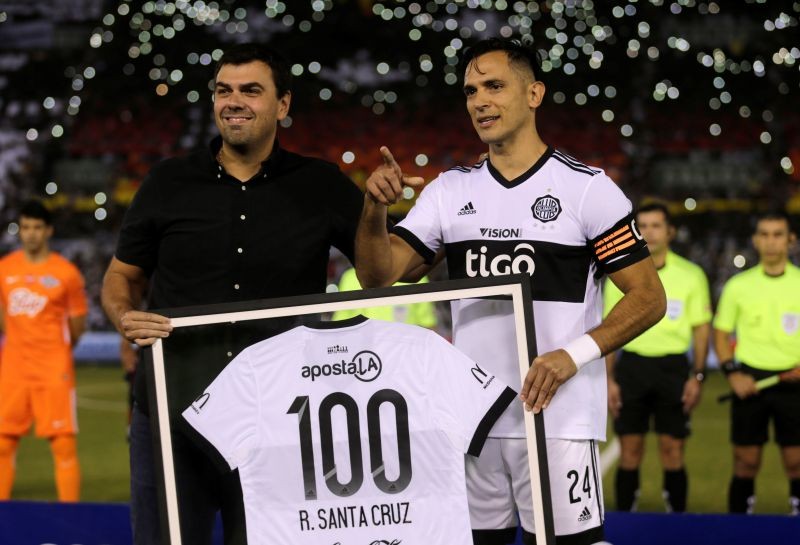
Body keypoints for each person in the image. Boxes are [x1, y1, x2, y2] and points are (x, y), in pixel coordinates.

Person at [355, 38, 666, 544]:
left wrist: (572, 355)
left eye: (495, 86)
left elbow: (649, 298)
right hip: (475, 420)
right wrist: (373, 209)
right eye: (471, 91)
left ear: (534, 93)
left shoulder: (587, 189)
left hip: (557, 418)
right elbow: (378, 276)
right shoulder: (449, 191)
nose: (480, 101)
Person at [101, 43, 363, 545]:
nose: (233, 100)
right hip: (172, 414)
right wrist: (123, 315)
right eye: (224, 90)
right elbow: (120, 277)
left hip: (282, 423)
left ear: (283, 105)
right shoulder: (166, 182)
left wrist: (373, 209)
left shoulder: (322, 184)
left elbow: (378, 272)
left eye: (250, 90)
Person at [604, 202, 711, 513]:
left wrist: (698, 375)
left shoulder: (692, 275)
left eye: (656, 225)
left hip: (673, 370)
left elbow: (701, 330)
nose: (649, 232)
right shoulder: (621, 275)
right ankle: (626, 520)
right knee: (629, 451)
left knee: (673, 450)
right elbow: (611, 330)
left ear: (670, 232)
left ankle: (677, 523)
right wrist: (609, 379)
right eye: (643, 226)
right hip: (632, 368)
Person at [0, 199, 88, 501]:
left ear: (48, 231)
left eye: (37, 227)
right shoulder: (4, 269)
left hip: (53, 368)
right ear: (19, 231)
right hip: (14, 368)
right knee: (3, 444)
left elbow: (77, 326)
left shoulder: (67, 274)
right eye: (25, 227)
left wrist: (56, 350)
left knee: (63, 445)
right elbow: (3, 317)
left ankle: (71, 520)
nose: (31, 234)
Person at [713, 211, 800, 515]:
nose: (771, 241)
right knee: (746, 461)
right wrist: (734, 374)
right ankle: (739, 529)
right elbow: (721, 334)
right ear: (755, 240)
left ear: (791, 240)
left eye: (778, 234)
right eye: (764, 234)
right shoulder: (739, 286)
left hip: (795, 383)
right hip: (750, 380)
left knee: (796, 462)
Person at [331, 266, 438, 328]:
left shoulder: (414, 277)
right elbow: (340, 324)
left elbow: (428, 325)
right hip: (364, 356)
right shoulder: (349, 277)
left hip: (405, 356)